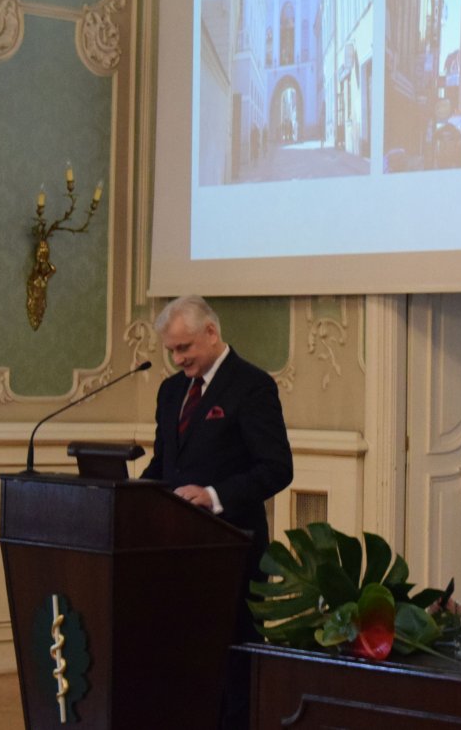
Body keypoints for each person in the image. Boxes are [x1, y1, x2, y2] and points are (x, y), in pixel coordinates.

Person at [141, 295, 293, 727]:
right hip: (177, 549)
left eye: (184, 347)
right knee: (184, 657)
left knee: (233, 663)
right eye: (171, 350)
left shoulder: (252, 386)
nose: (177, 359)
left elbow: (277, 468)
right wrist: (131, 493)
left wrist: (213, 495)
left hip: (233, 547)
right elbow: (164, 464)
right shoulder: (171, 391)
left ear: (211, 332)